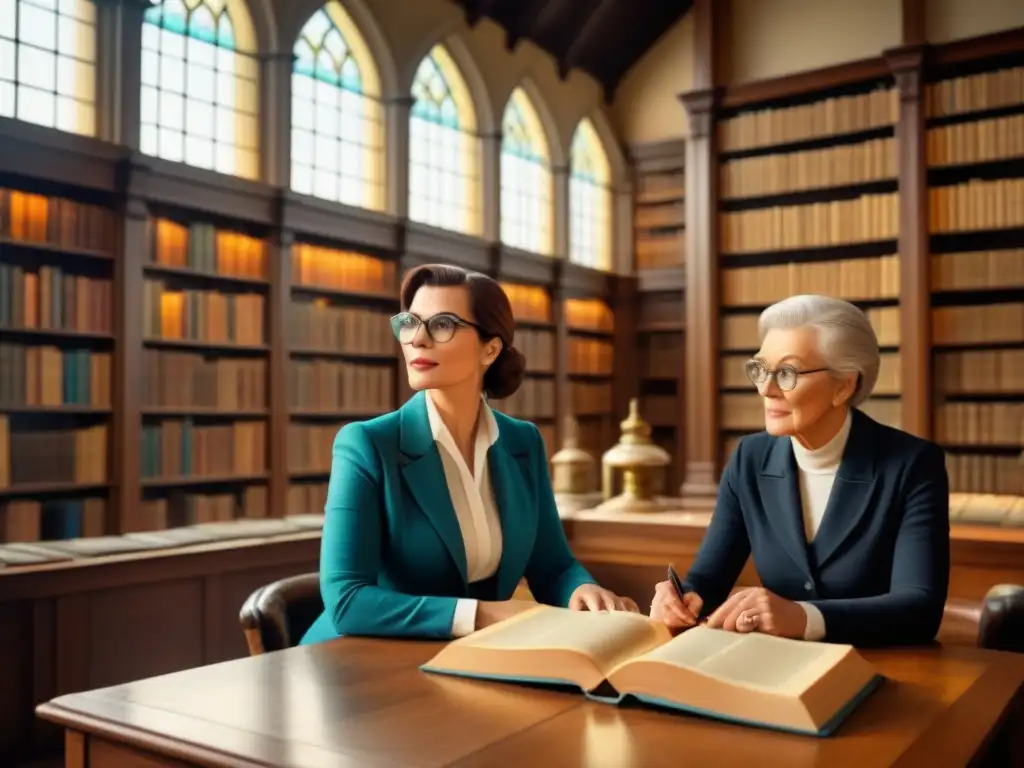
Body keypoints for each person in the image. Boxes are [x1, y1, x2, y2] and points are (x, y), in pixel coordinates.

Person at [301, 263, 637, 644]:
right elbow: (347, 601)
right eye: (410, 322)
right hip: (352, 662)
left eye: (442, 324)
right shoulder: (366, 444)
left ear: (490, 349)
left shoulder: (523, 443)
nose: (418, 339)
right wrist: (483, 614)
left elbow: (553, 567)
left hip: (466, 657)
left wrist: (581, 591)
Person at [650, 295, 950, 647]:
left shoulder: (913, 465)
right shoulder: (749, 458)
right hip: (776, 670)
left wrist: (804, 617)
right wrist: (684, 597)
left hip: (883, 670)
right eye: (760, 369)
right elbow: (709, 578)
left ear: (844, 385)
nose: (765, 389)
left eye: (787, 373)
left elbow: (920, 609)